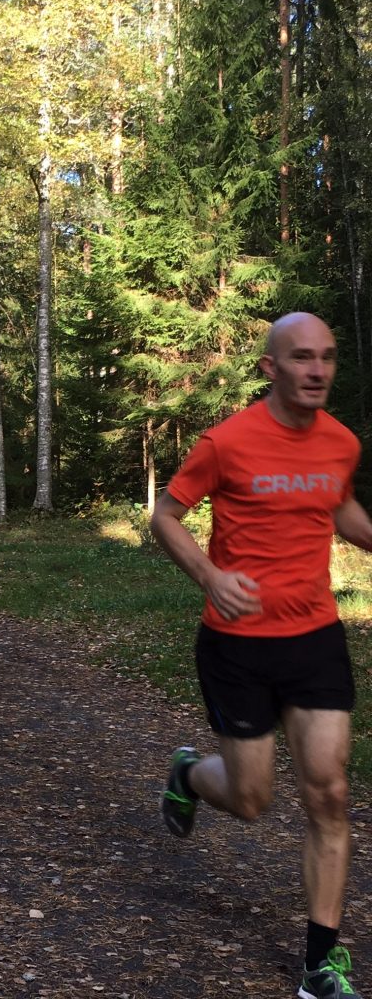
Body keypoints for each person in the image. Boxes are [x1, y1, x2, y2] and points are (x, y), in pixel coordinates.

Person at [150, 312, 372, 999]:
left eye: (328, 358)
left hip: (313, 638)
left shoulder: (339, 443)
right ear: (270, 368)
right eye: (302, 357)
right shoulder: (227, 442)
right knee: (251, 800)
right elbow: (165, 515)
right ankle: (190, 775)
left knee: (329, 793)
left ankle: (318, 964)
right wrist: (210, 577)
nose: (318, 370)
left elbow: (336, 507)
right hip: (236, 645)